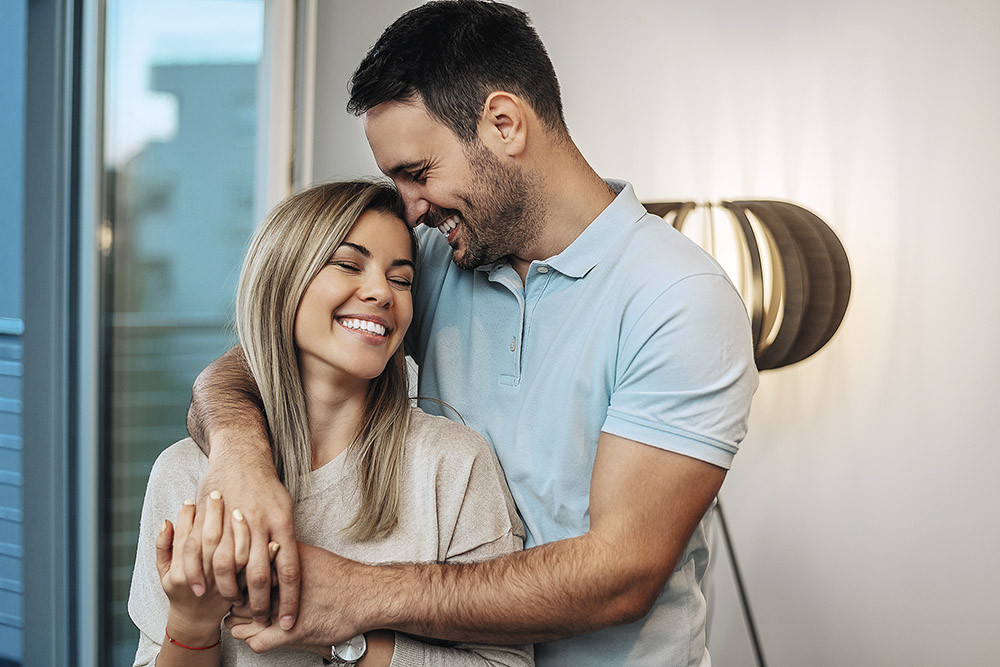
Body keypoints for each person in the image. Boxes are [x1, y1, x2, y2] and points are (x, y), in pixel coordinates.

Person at [184, 2, 759, 665]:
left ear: (503, 123)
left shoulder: (679, 298)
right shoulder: (433, 262)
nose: (409, 209)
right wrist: (239, 457)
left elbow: (621, 574)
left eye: (417, 173)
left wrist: (360, 593)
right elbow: (266, 354)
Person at [128, 180, 532, 666]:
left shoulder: (454, 465)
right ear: (282, 279)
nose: (381, 292)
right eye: (347, 264)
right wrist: (191, 624)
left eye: (401, 279)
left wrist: (345, 640)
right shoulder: (185, 474)